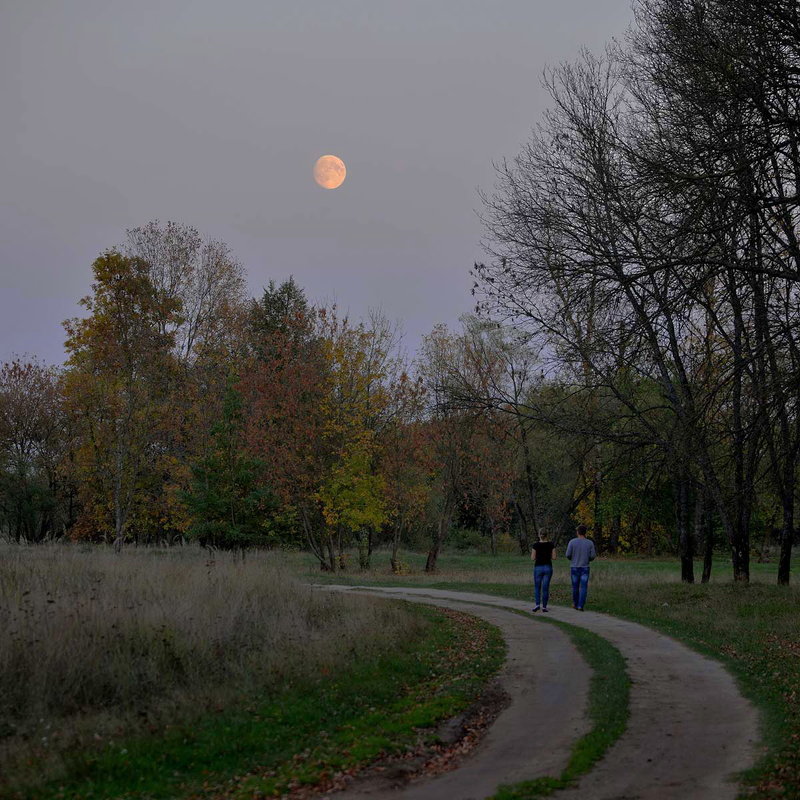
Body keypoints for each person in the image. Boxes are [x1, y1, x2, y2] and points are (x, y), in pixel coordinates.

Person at [565, 524, 596, 611]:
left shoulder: (572, 542)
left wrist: (572, 558)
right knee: (583, 587)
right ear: (585, 533)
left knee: (575, 587)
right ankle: (580, 605)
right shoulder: (590, 543)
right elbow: (593, 556)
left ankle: (575, 603)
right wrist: (587, 559)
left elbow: (567, 554)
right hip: (585, 567)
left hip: (574, 567)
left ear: (577, 532)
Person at [530, 531, 556, 613]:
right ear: (546, 535)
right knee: (545, 587)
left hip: (538, 567)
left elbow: (532, 558)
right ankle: (544, 607)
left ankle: (537, 605)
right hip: (548, 567)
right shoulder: (551, 544)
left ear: (539, 535)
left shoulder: (535, 545)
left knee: (537, 587)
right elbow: (554, 557)